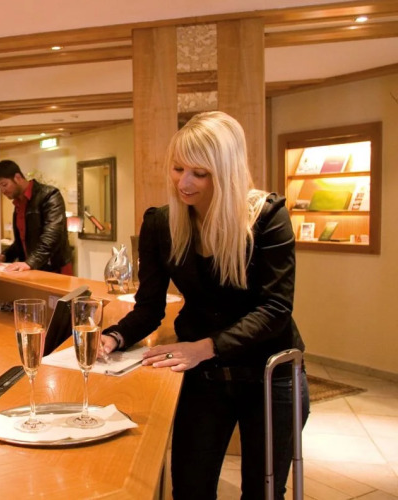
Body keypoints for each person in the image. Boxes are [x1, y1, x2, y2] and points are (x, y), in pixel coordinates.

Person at [99, 111, 309, 500]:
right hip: (204, 378)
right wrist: (115, 336)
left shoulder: (267, 217)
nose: (184, 182)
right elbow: (149, 308)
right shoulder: (160, 224)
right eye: (178, 168)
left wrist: (205, 346)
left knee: (263, 492)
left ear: (227, 173)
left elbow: (276, 309)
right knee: (190, 489)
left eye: (200, 173)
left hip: (268, 373)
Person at [0, 160, 73, 274]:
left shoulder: (49, 195)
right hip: (33, 267)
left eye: (4, 185)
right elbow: (22, 241)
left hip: (54, 267)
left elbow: (52, 235)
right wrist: (5, 256)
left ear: (17, 177)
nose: (3, 191)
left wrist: (30, 262)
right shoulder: (19, 203)